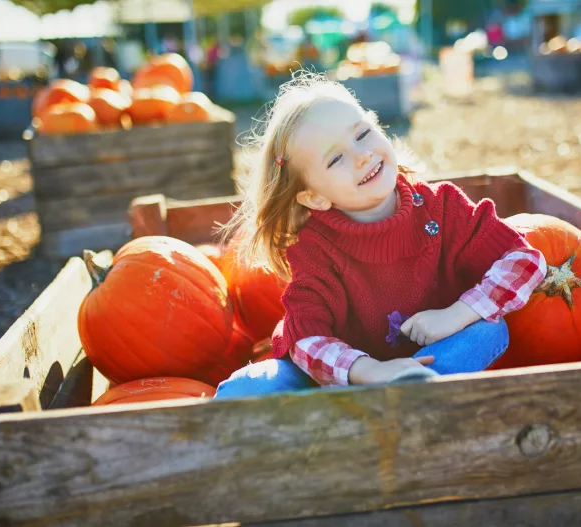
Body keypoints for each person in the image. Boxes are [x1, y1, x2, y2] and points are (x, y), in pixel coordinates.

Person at [214, 73, 546, 399]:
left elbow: (525, 260)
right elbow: (306, 338)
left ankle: (413, 392)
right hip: (342, 381)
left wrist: (456, 314)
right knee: (250, 388)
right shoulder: (314, 248)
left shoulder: (442, 208)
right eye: (336, 158)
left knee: (487, 331)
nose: (362, 155)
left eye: (362, 134)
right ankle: (396, 403)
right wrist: (367, 371)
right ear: (314, 197)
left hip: (433, 357)